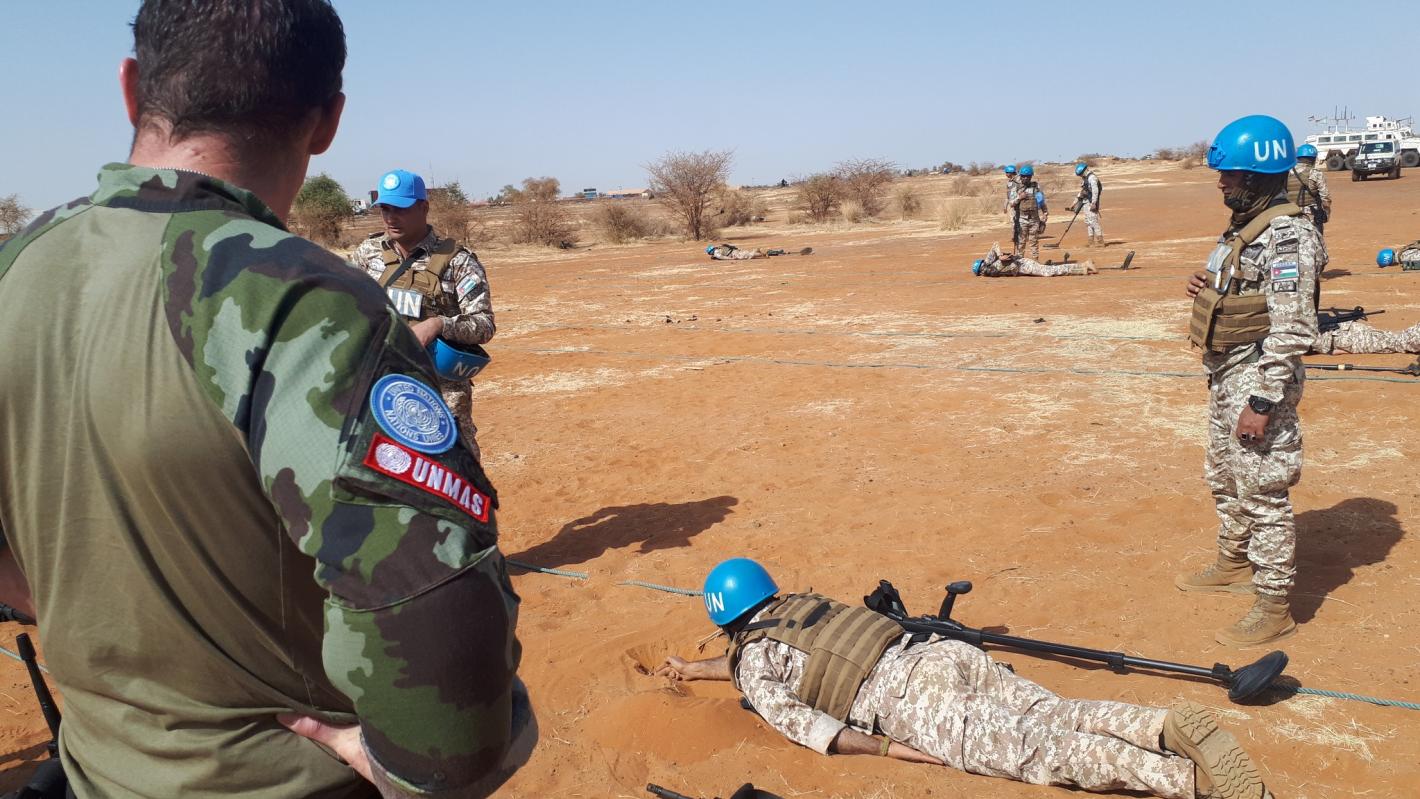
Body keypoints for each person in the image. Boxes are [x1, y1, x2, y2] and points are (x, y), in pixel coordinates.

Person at [0, 2, 530, 797]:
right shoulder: (308, 303)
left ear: (132, 86)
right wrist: (413, 763)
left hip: (95, 768)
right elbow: (443, 672)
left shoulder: (18, 268)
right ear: (327, 123)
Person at [654, 559, 1268, 799]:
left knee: (1036, 751)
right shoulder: (804, 605)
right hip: (939, 654)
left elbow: (806, 726)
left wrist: (892, 749)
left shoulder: (755, 661)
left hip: (912, 703)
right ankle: (1159, 726)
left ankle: (1187, 781)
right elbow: (746, 666)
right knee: (1051, 712)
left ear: (724, 618)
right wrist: (693, 669)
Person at [1180, 115, 1325, 647]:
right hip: (1224, 372)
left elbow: (1292, 328)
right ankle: (1234, 560)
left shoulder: (1290, 237)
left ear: (1262, 176)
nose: (1222, 183)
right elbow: (1240, 283)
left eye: (1232, 175)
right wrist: (1205, 283)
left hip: (1258, 376)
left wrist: (1262, 402)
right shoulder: (1248, 226)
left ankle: (1273, 602)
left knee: (1262, 490)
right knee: (1222, 476)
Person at [350, 169, 495, 460]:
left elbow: (484, 324)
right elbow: (344, 303)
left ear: (424, 207)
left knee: (455, 473)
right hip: (383, 385)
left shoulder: (457, 262)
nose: (391, 217)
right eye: (385, 209)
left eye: (401, 209)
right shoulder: (368, 253)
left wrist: (439, 324)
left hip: (441, 392)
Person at [973, 241, 1097, 277]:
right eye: (981, 272)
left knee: (1049, 272)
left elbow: (995, 244)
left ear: (984, 263)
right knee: (1050, 270)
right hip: (1022, 268)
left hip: (1024, 264)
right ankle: (1083, 269)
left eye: (982, 268)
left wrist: (1000, 256)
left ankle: (1084, 265)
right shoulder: (991, 272)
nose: (983, 271)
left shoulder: (990, 262)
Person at [1289, 144, 1331, 235]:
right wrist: (1326, 214)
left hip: (1289, 214)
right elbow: (1325, 197)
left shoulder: (1286, 173)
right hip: (1310, 215)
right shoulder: (1315, 173)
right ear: (1314, 159)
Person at [1011, 165, 1048, 259]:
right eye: (1023, 176)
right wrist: (1019, 198)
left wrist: (1045, 213)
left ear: (1031, 176)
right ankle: (1020, 262)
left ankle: (1035, 261)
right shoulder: (1016, 188)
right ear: (1020, 176)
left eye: (1028, 176)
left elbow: (1041, 200)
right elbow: (1011, 203)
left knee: (1034, 241)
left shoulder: (1036, 186)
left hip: (1034, 219)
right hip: (1021, 220)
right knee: (1021, 242)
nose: (1026, 178)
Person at [1075, 162, 1106, 246]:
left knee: (1093, 221)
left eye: (1081, 174)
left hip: (1092, 202)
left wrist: (1094, 203)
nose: (1081, 176)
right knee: (1088, 222)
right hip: (1086, 202)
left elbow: (1095, 191)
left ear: (1085, 170)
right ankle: (1090, 241)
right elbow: (1082, 191)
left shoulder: (1092, 178)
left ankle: (1100, 241)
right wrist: (1074, 203)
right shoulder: (1085, 179)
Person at [706, 243, 812, 260]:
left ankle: (767, 253)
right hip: (738, 251)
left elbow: (722, 257)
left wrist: (730, 259)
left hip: (736, 254)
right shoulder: (721, 246)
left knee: (753, 255)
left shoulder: (716, 252)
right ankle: (778, 252)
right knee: (753, 254)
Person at [1002, 164, 1021, 250]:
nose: (1006, 174)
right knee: (1013, 221)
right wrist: (1005, 206)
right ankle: (1015, 237)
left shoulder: (1020, 180)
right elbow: (1008, 195)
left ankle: (1020, 237)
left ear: (1010, 173)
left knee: (1020, 221)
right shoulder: (1009, 183)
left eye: (1007, 173)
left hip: (1020, 205)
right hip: (1012, 205)